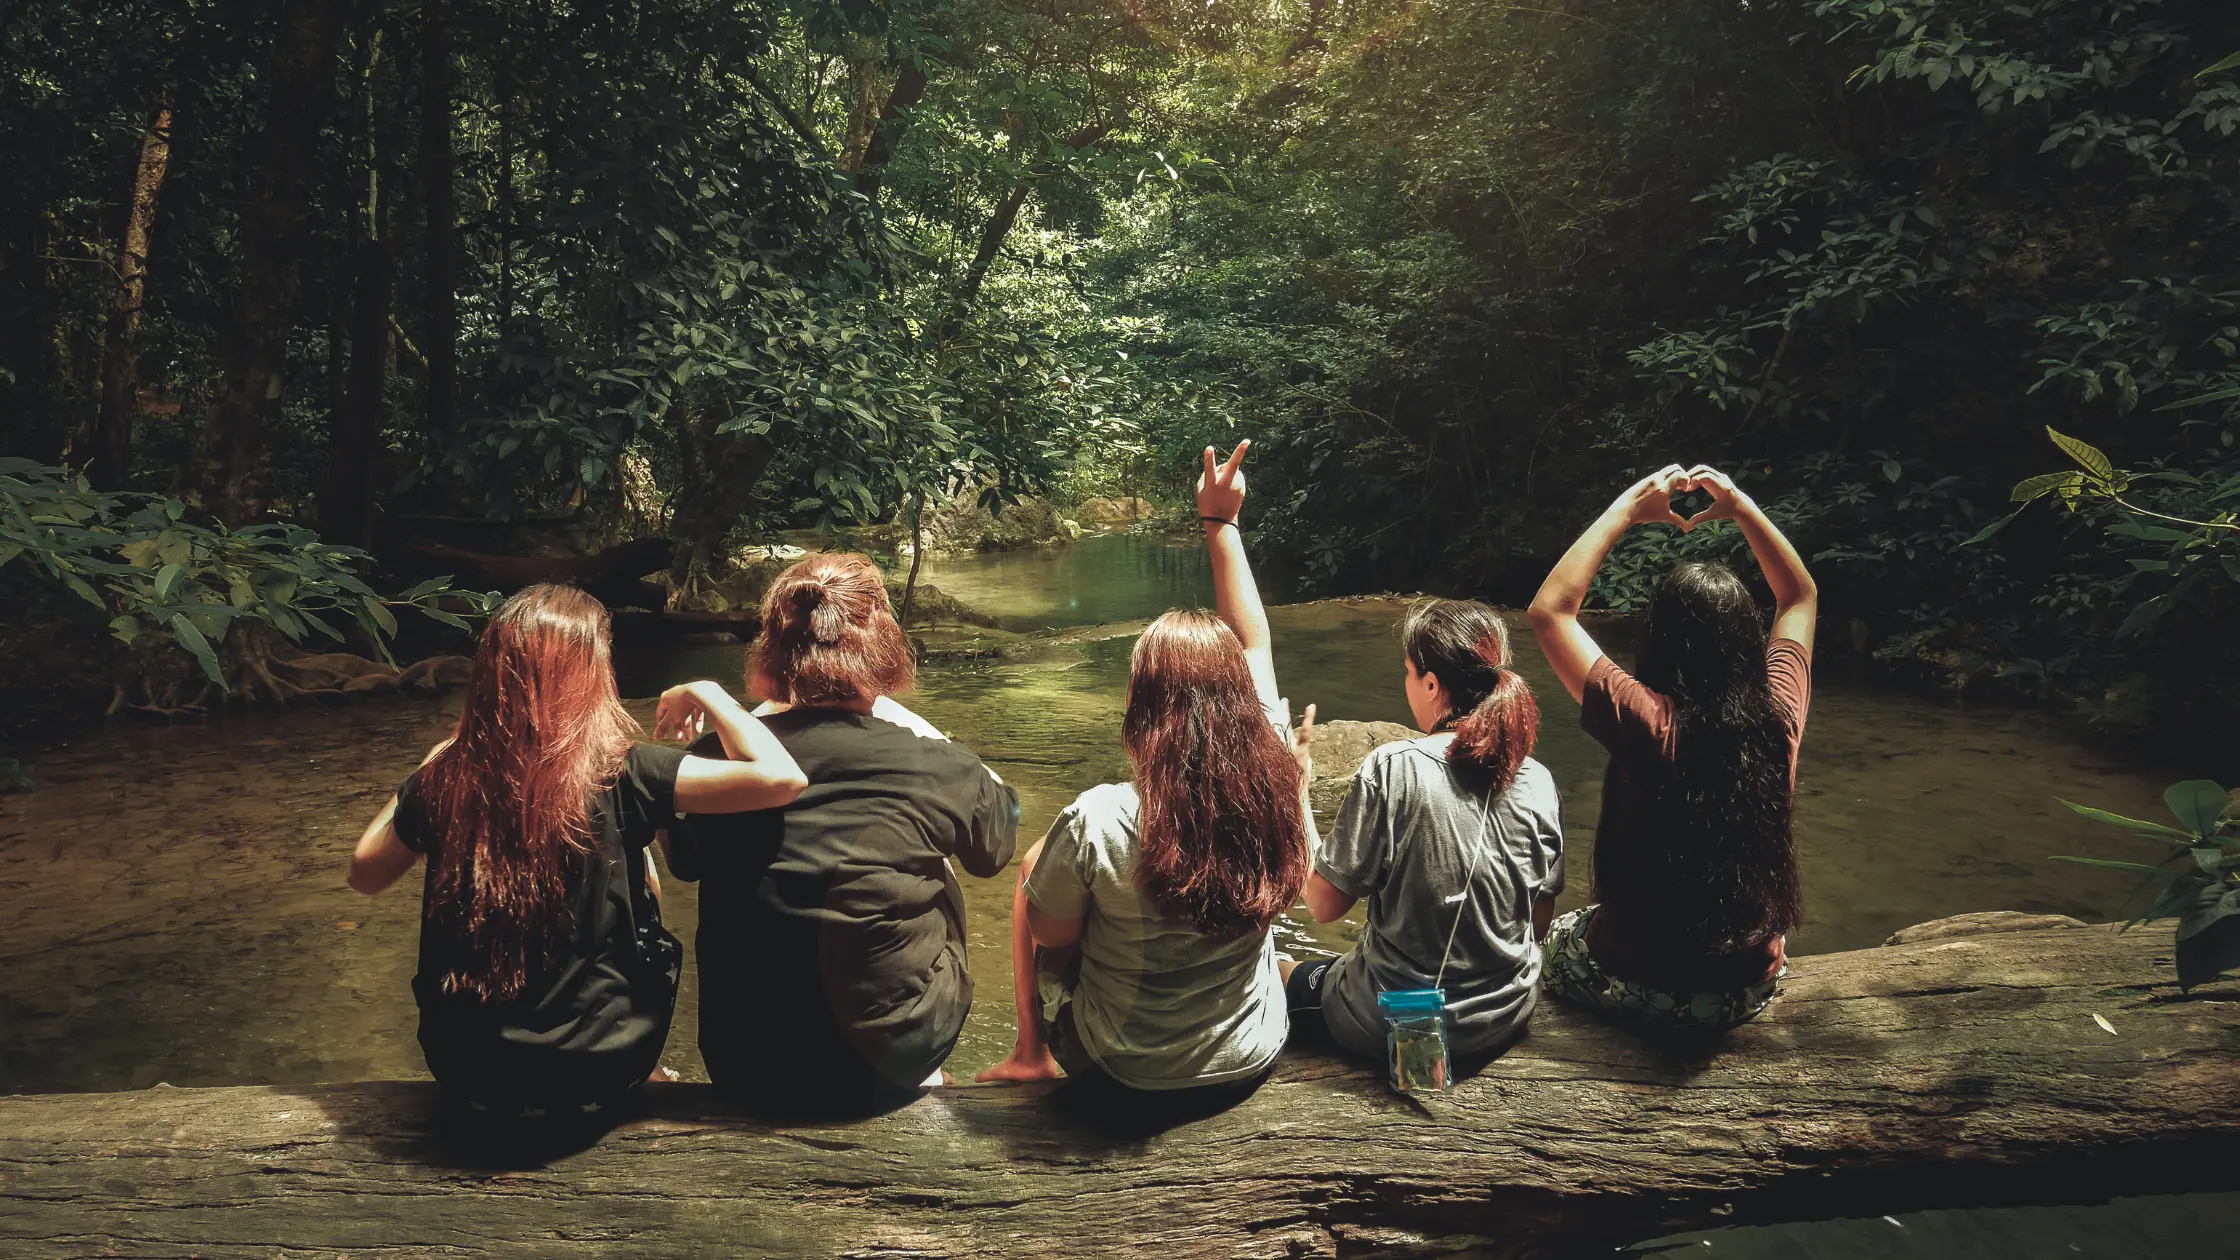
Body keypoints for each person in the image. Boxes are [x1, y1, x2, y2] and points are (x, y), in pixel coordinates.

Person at [347, 584, 807, 1117]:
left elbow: (365, 874)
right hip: (598, 1072)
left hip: (467, 1071)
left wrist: (435, 763)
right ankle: (644, 1067)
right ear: (593, 674)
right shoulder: (624, 770)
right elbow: (781, 777)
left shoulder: (448, 775)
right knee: (633, 854)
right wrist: (711, 692)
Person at [976, 440, 1313, 1111]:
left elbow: (1053, 939)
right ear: (1240, 702)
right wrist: (1223, 524)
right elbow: (1254, 645)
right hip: (1249, 1060)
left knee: (1040, 867)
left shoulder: (1101, 816)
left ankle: (1029, 1052)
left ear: (1142, 710)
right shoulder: (1276, 772)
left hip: (1119, 1079)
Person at [663, 552, 1019, 1113]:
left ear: (774, 650)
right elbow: (997, 847)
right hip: (891, 1062)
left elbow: (683, 861)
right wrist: (918, 728)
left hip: (744, 1062)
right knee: (933, 853)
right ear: (883, 643)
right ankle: (918, 1056)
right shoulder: (936, 763)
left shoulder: (718, 758)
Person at [1526, 464, 1817, 1037]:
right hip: (1744, 988)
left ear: (1656, 639)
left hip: (1637, 985)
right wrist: (1739, 507)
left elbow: (1550, 611)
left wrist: (1629, 508)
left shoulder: (1646, 721)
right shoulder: (1778, 721)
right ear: (1746, 642)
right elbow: (1799, 596)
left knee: (1555, 937)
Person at [1281, 600, 1565, 1065]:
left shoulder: (1394, 767)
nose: (1406, 682)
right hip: (1506, 1015)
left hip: (1400, 1024)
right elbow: (1536, 922)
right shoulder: (1537, 778)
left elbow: (1323, 905)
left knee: (1278, 971)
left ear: (1432, 684)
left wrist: (1298, 789)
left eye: (1409, 671)